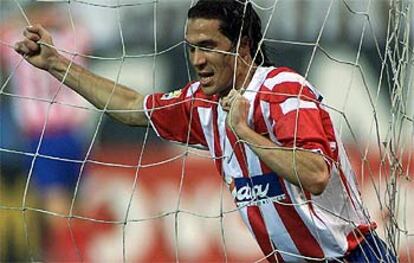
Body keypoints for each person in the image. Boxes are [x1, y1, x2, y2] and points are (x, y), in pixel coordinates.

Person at [14, 0, 395, 261]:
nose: (196, 60)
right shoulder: (202, 103)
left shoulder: (283, 90)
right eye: (192, 47)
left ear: (242, 46)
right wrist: (55, 63)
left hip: (353, 256)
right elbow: (132, 107)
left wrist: (246, 134)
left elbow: (315, 174)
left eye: (208, 46)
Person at [1, 3, 92, 261]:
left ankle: (66, 257)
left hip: (43, 136)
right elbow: (84, 31)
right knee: (78, 205)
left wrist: (26, 17)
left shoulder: (12, 41)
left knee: (57, 209)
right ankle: (75, 255)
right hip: (74, 132)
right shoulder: (74, 38)